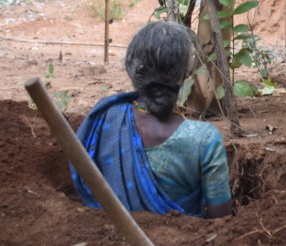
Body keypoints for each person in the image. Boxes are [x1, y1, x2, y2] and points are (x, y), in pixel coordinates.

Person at [71, 22, 232, 218]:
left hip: (111, 243)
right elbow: (221, 220)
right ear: (185, 74)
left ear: (131, 68)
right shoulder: (204, 138)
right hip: (182, 245)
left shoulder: (106, 119)